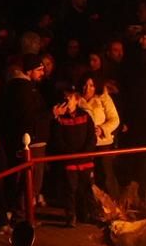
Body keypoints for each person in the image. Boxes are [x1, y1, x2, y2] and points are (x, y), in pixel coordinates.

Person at [49, 86, 97, 226]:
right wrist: (70, 154)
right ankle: (71, 216)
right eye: (65, 97)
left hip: (85, 159)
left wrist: (86, 152)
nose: (67, 100)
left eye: (70, 97)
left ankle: (91, 214)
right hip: (69, 160)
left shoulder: (85, 115)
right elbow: (57, 139)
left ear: (76, 100)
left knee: (88, 187)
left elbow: (92, 137)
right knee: (70, 188)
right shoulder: (59, 119)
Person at [80, 75, 122, 205]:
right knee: (88, 176)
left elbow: (114, 119)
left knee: (105, 173)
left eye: (91, 85)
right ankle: (92, 205)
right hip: (84, 144)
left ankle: (113, 204)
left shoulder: (103, 98)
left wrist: (102, 129)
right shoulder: (77, 100)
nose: (88, 89)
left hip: (102, 142)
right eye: (85, 85)